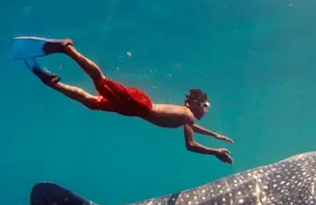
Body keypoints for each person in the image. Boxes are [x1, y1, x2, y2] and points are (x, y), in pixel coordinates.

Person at [31, 39, 235, 165]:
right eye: (206, 106)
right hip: (138, 104)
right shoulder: (187, 115)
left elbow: (191, 127)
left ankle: (54, 84)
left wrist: (215, 135)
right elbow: (190, 145)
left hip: (135, 108)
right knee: (100, 82)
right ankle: (68, 49)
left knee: (92, 102)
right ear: (195, 103)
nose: (206, 111)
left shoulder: (186, 116)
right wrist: (215, 152)